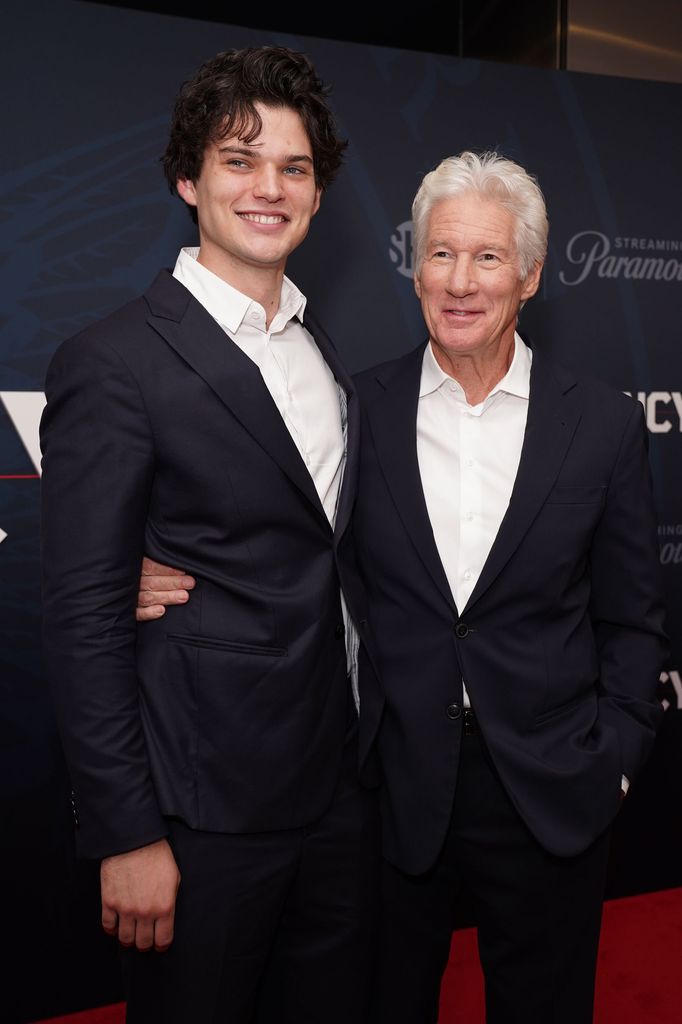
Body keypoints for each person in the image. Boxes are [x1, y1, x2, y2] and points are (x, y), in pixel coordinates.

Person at [141, 150, 668, 1023]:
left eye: (489, 257)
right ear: (414, 265)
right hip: (389, 791)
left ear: (531, 276)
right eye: (441, 253)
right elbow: (265, 525)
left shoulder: (603, 422)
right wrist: (130, 563)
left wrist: (612, 762)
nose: (461, 282)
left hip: (549, 788)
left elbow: (633, 616)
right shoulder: (357, 407)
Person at [40, 46, 379, 1024]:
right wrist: (125, 833)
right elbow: (83, 618)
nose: (269, 187)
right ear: (188, 179)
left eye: (295, 167)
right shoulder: (112, 360)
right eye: (240, 160)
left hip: (338, 797)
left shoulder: (322, 353)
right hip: (199, 820)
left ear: (317, 195)